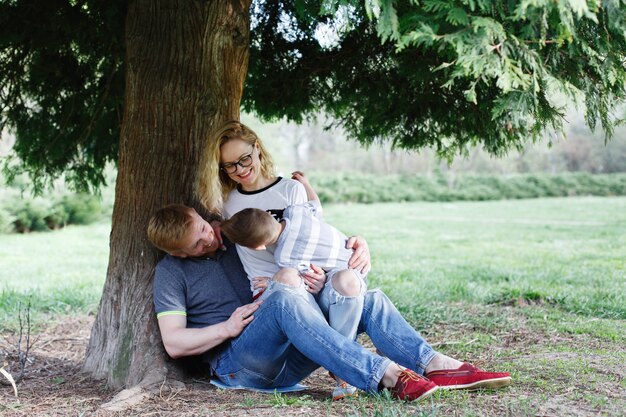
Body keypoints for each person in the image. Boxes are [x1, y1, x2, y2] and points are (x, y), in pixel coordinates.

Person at [147, 204, 512, 403]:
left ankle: (437, 364)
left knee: (366, 298)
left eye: (205, 228)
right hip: (240, 365)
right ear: (177, 252)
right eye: (197, 244)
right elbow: (174, 343)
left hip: (294, 349)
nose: (210, 240)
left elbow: (304, 227)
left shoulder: (235, 235)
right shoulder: (169, 274)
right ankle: (384, 375)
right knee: (284, 296)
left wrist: (355, 243)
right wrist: (227, 327)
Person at [198, 121, 368, 399]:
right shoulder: (227, 203)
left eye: (244, 159)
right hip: (268, 290)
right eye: (229, 165)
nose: (240, 170)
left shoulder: (290, 190)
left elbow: (314, 231)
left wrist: (353, 245)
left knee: (348, 283)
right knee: (286, 277)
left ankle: (344, 366)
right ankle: (351, 365)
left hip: (305, 282)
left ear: (257, 149)